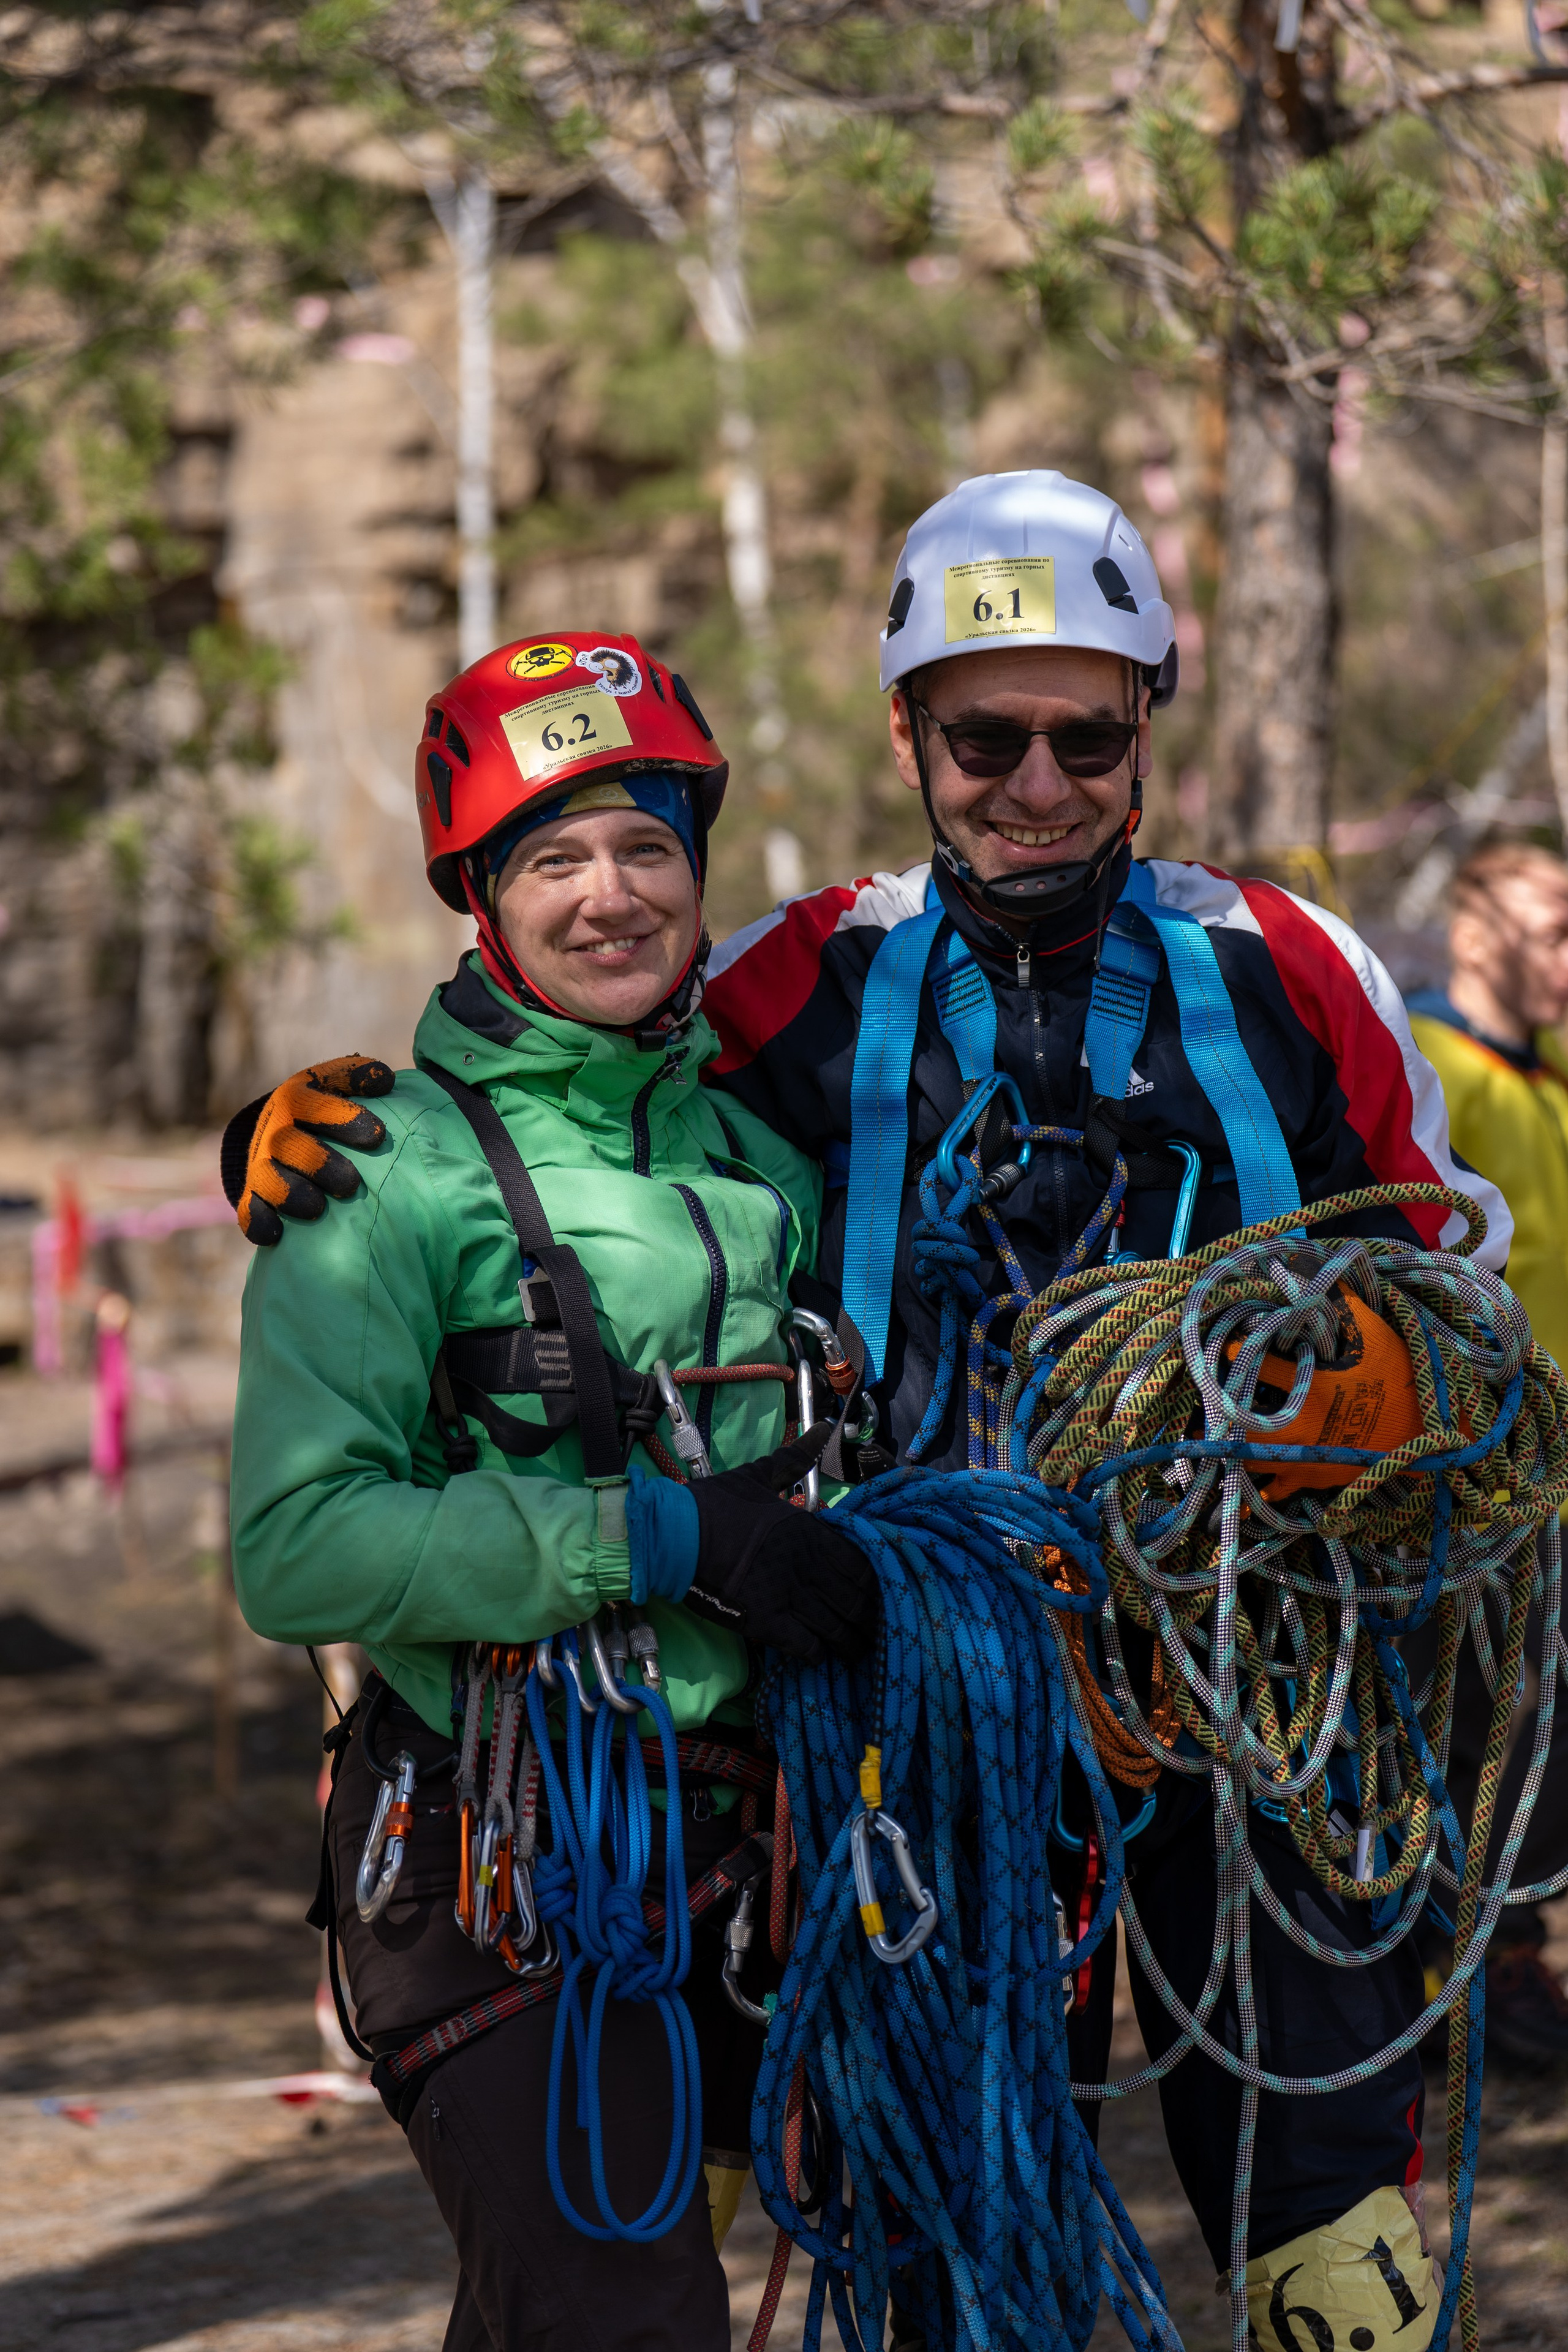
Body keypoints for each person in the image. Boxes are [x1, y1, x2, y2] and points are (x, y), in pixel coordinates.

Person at [229, 476, 1510, 2349]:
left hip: (1267, 1691)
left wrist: (1400, 1378)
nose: (1041, 782)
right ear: (910, 732)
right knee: (949, 2198)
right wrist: (319, 1133)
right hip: (931, 1706)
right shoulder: (802, 980)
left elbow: (1461, 1290)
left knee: (1327, 2208)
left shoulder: (1292, 970)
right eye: (988, 735)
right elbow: (582, 1076)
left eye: (1090, 732)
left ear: (1150, 722)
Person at [225, 631, 877, 2352]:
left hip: (748, 1845)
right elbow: (299, 1547)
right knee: (617, 2312)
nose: (611, 896)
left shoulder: (758, 1161)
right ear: (482, 900)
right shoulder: (375, 1169)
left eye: (648, 845)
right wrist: (667, 1536)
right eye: (553, 858)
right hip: (493, 1857)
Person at [1404, 842, 1568, 2063]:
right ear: (1473, 933)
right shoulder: (1428, 1068)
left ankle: (1508, 1960)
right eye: (1549, 924)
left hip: (1555, 1473)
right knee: (1472, 1725)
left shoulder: (1551, 1083)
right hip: (1480, 1475)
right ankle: (1458, 1974)